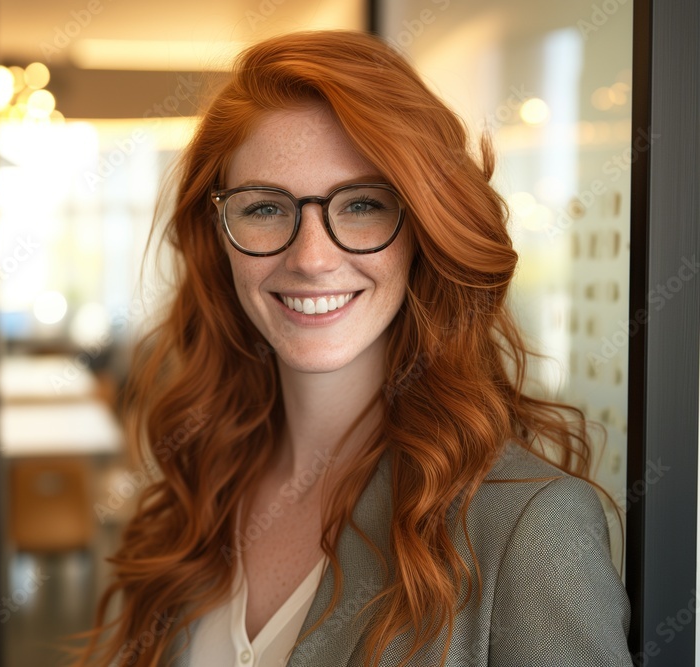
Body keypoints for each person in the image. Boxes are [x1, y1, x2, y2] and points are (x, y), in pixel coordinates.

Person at [71, 30, 633, 667]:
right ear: (218, 235)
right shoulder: (199, 481)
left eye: (363, 203)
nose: (311, 258)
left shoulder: (526, 525)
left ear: (423, 227)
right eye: (263, 208)